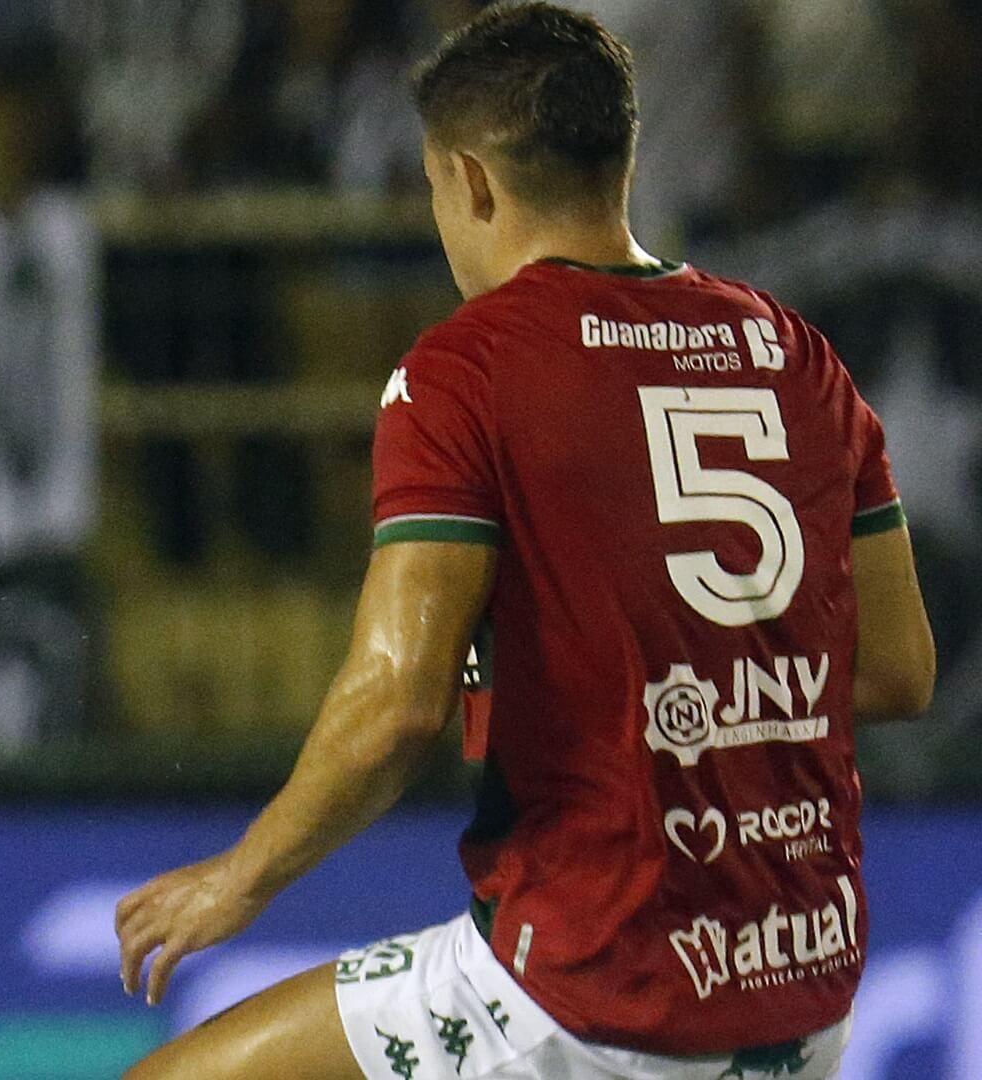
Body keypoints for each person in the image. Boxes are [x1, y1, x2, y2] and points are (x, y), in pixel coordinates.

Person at [115, 4, 936, 1078]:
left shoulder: (470, 368)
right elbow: (897, 667)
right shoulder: (797, 356)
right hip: (799, 992)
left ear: (471, 181)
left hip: (585, 991)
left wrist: (241, 880)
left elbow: (396, 700)